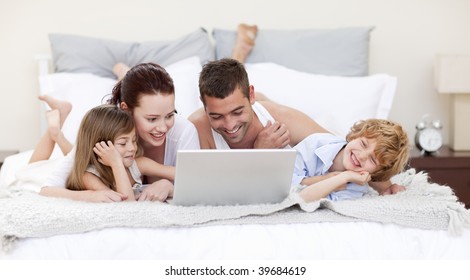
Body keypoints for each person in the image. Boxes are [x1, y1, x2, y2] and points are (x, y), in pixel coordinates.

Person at [188, 24, 404, 195]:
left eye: (237, 112)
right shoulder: (196, 126)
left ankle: (240, 55)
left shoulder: (279, 118)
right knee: (225, 96)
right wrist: (259, 153)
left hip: (263, 107)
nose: (229, 125)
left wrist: (386, 185)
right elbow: (215, 187)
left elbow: (340, 149)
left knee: (251, 101)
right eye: (216, 116)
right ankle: (239, 52)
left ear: (250, 96)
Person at [40, 62, 200, 202]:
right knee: (38, 164)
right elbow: (48, 188)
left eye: (170, 115)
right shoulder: (108, 128)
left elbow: (198, 178)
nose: (163, 127)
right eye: (152, 119)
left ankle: (123, 70)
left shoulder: (183, 131)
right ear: (126, 110)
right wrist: (89, 195)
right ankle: (56, 130)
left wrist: (169, 186)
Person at [65, 104, 174, 201]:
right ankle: (56, 133)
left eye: (134, 140)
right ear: (100, 146)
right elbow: (125, 205)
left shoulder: (137, 164)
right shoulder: (89, 176)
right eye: (122, 143)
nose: (132, 148)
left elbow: (184, 175)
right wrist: (116, 163)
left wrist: (168, 185)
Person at [293, 119, 409, 202]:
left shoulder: (356, 188)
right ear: (355, 136)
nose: (362, 156)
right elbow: (282, 183)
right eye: (363, 144)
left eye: (373, 160)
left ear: (376, 173)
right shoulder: (315, 143)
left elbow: (304, 199)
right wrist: (323, 179)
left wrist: (344, 177)